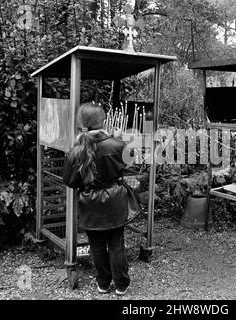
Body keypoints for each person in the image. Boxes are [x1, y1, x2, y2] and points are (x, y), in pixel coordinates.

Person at [62, 102, 135, 296]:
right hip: (115, 201)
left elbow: (70, 182)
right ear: (102, 121)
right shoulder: (117, 145)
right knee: (116, 243)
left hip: (89, 204)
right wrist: (120, 139)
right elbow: (130, 161)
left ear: (80, 123)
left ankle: (103, 283)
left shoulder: (75, 152)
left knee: (96, 245)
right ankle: (121, 284)